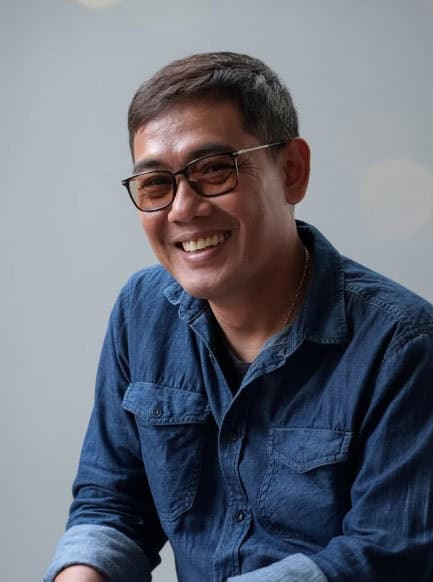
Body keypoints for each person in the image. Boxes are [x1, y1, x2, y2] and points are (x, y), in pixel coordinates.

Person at [45, 52, 433, 582]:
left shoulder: (404, 345)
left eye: (213, 170)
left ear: (292, 172)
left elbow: (387, 556)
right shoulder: (142, 310)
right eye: (156, 183)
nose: (182, 208)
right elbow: (112, 503)